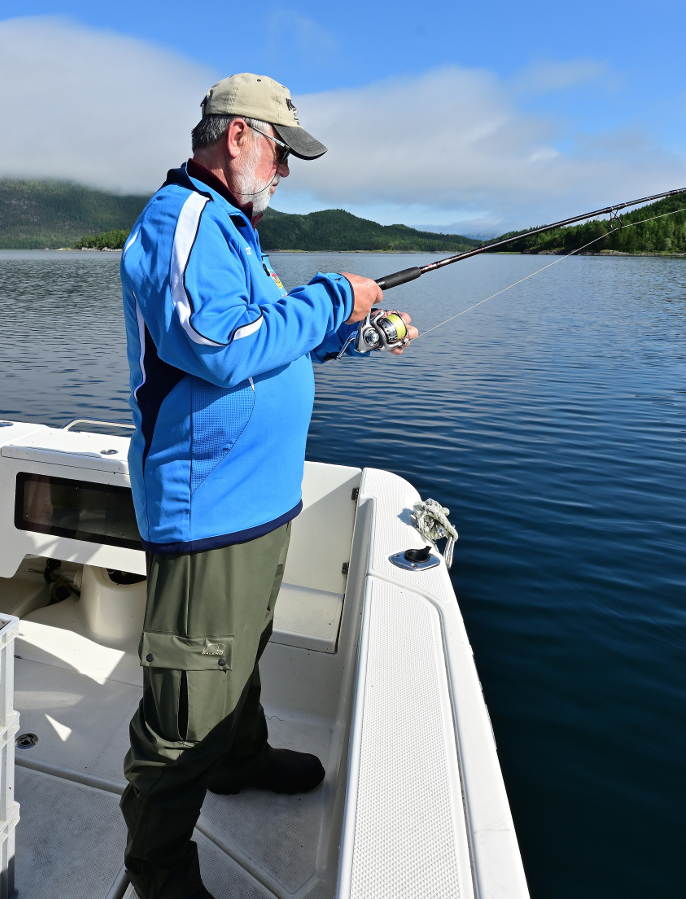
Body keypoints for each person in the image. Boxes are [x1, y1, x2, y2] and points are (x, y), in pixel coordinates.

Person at [118, 73, 417, 898]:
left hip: (258, 503)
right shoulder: (178, 223)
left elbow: (267, 336)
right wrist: (334, 296)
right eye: (282, 153)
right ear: (240, 136)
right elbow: (215, 346)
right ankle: (159, 874)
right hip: (205, 510)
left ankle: (240, 758)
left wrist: (350, 331)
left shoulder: (232, 232)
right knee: (183, 711)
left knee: (239, 649)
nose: (284, 171)